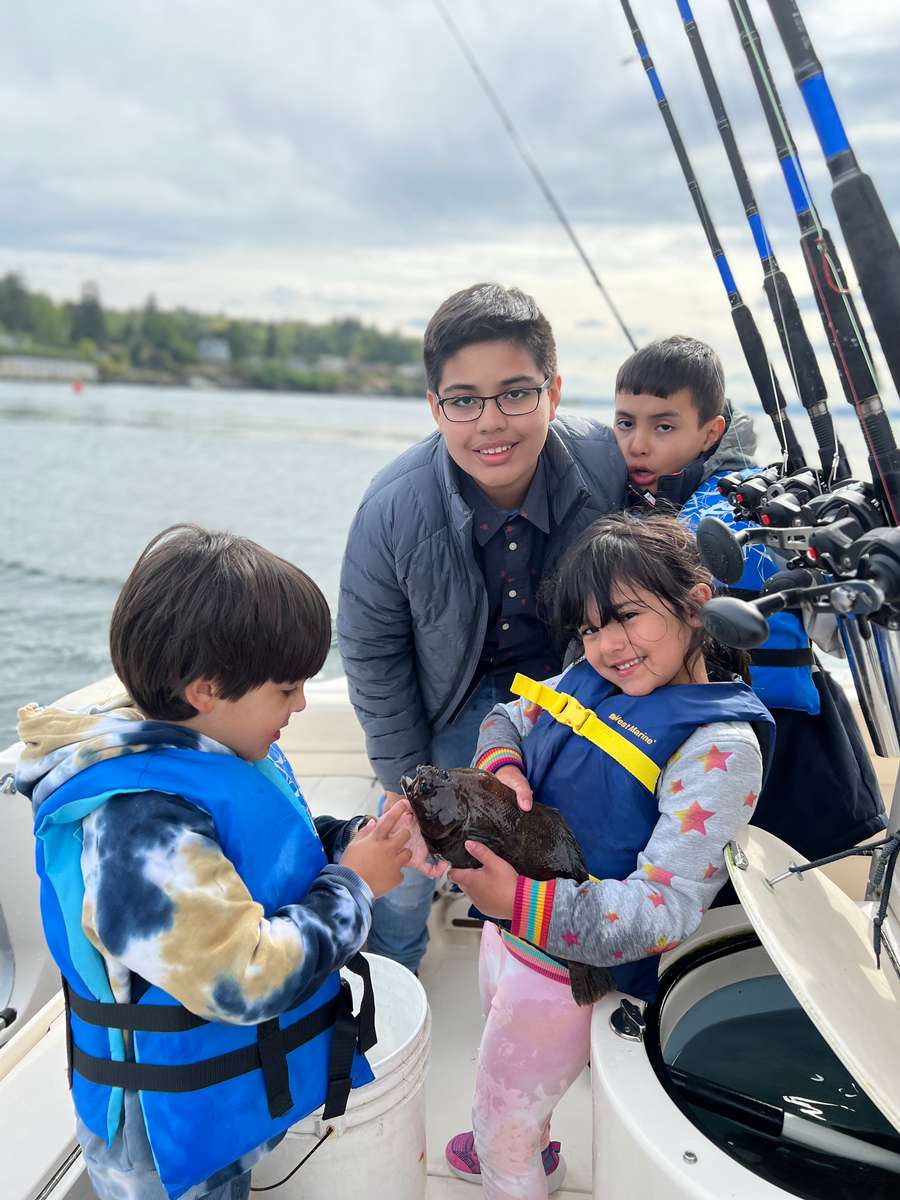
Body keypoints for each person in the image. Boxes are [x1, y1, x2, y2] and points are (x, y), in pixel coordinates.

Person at [15, 524, 434, 1200]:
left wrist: (360, 842)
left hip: (226, 1101)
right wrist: (355, 885)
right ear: (206, 690)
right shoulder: (138, 821)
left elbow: (261, 857)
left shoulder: (214, 741)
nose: (302, 703)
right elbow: (244, 978)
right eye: (287, 688)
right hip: (165, 1147)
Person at [440, 514, 775, 1197]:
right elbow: (507, 717)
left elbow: (665, 908)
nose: (607, 645)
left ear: (696, 606)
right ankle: (530, 1140)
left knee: (502, 1129)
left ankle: (511, 1158)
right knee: (504, 1071)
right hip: (505, 935)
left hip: (565, 974)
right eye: (590, 628)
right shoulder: (589, 678)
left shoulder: (718, 750)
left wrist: (519, 903)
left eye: (626, 616)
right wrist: (502, 765)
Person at [337, 282, 627, 974]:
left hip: (572, 684)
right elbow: (373, 653)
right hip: (453, 695)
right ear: (434, 407)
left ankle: (568, 962)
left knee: (592, 826)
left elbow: (692, 463)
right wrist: (398, 778)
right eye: (464, 400)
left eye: (516, 394)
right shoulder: (391, 508)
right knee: (412, 849)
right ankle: (393, 969)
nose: (491, 422)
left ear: (554, 393)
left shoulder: (607, 464)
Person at [612, 335, 885, 887]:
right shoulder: (633, 503)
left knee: (796, 883)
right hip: (691, 735)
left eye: (663, 426)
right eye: (625, 423)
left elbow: (839, 625)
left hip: (787, 741)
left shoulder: (753, 508)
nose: (638, 444)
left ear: (711, 432)